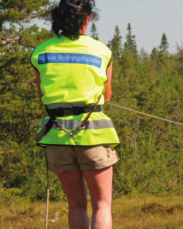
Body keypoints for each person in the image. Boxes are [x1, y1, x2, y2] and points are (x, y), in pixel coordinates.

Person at [30, 0, 119, 228]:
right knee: (102, 205)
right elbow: (106, 96)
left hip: (57, 135)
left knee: (76, 205)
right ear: (86, 19)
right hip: (94, 135)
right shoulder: (101, 51)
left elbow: (43, 95)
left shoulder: (41, 52)